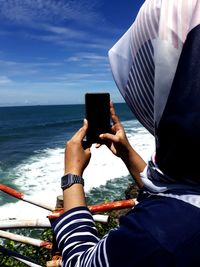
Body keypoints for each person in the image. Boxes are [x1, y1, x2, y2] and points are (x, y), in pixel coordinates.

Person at [52, 0, 200, 266]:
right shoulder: (189, 186)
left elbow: (79, 260)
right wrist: (127, 153)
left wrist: (71, 175)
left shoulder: (161, 239)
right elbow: (176, 194)